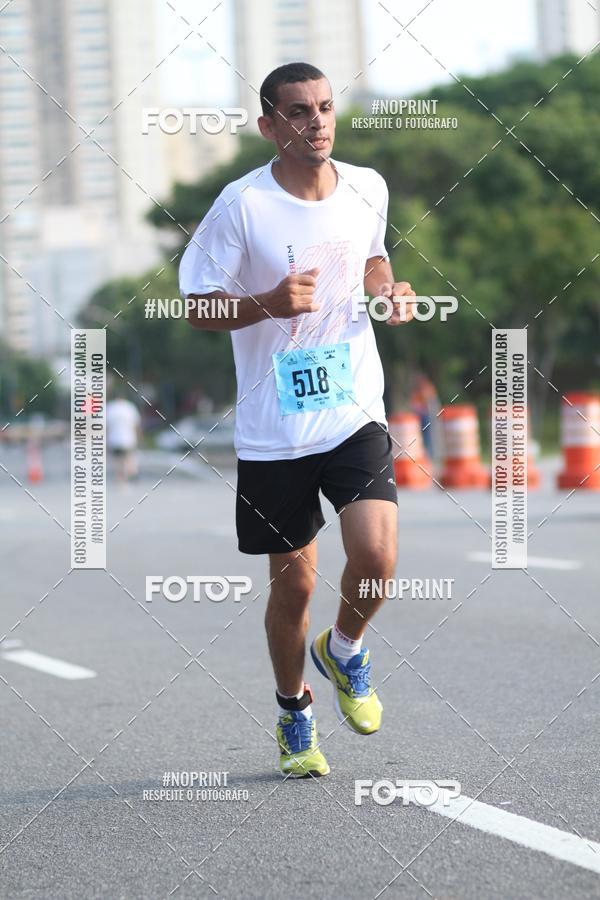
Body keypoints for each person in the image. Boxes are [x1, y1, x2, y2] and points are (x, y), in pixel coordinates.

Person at [180, 62, 415, 778]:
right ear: (269, 126)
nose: (316, 122)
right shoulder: (241, 207)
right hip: (274, 429)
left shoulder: (367, 186)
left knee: (375, 558)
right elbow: (198, 307)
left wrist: (388, 289)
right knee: (298, 586)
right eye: (298, 112)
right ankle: (294, 711)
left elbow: (372, 256)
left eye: (324, 107)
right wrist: (266, 304)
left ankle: (344, 650)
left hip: (353, 411)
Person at [106, 394, 141, 483]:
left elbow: (106, 426)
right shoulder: (129, 407)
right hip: (128, 438)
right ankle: (131, 472)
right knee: (128, 457)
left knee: (117, 460)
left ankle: (120, 479)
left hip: (114, 438)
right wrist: (138, 437)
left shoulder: (110, 407)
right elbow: (135, 424)